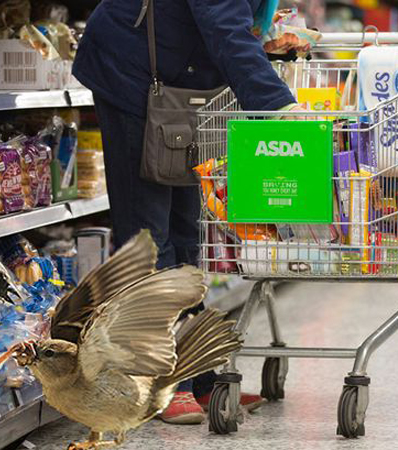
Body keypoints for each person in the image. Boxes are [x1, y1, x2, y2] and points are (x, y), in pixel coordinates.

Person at [73, 0, 302, 424]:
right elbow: (221, 24)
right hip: (133, 72)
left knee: (186, 233)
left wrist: (264, 41)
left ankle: (196, 373)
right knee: (148, 237)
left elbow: (233, 24)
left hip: (177, 79)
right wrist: (277, 105)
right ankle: (156, 384)